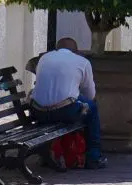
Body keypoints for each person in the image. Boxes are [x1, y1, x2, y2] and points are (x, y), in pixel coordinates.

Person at [31, 38, 106, 169]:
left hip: (38, 112)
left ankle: (52, 154)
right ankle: (94, 157)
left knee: (76, 101)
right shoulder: (83, 62)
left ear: (56, 49)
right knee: (92, 108)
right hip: (65, 111)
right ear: (76, 51)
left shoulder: (44, 58)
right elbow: (90, 95)